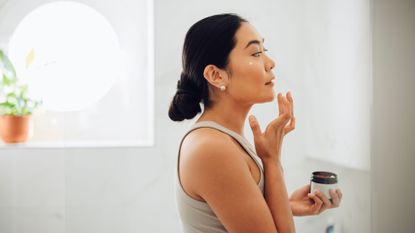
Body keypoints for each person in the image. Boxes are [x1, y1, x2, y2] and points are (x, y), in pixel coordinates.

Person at [168, 13, 343, 233]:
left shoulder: (222, 140)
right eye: (256, 53)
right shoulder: (213, 148)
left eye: (264, 51)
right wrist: (271, 161)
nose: (270, 63)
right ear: (216, 75)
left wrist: (287, 206)